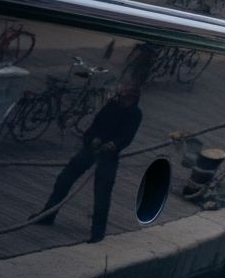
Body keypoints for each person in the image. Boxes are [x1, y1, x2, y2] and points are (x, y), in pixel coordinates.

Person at [36, 83, 144, 242]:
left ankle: (97, 232)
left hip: (109, 155)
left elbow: (127, 136)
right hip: (93, 148)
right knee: (64, 179)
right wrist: (93, 138)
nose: (124, 99)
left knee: (102, 192)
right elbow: (96, 124)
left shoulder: (135, 113)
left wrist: (114, 145)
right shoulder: (112, 105)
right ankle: (48, 214)